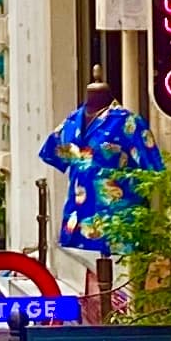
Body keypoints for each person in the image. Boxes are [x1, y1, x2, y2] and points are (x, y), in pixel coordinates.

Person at [40, 82, 161, 294]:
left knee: (123, 284)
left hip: (118, 219)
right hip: (80, 215)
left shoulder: (127, 122)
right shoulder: (71, 123)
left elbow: (152, 167)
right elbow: (53, 153)